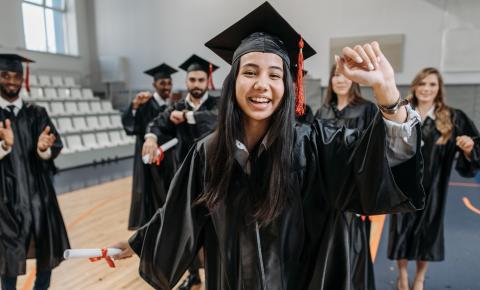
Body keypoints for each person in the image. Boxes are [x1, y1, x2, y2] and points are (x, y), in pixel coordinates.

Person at [112, 2, 424, 289]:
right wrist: (139, 242)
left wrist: (387, 92)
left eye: (275, 75)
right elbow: (181, 208)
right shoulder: (209, 152)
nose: (262, 84)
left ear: (288, 87)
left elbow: (381, 161)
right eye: (250, 72)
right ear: (233, 82)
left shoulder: (316, 146)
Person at [387, 67, 480, 290]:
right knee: (401, 231)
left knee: (428, 232)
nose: (426, 88)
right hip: (403, 186)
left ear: (439, 89)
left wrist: (468, 148)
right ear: (415, 86)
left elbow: (475, 145)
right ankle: (402, 275)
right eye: (422, 84)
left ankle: (419, 278)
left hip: (434, 188)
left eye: (432, 84)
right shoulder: (403, 112)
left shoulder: (453, 117)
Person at [142, 55, 219, 290]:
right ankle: (193, 274)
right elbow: (156, 124)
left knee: (215, 232)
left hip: (215, 179)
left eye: (200, 79)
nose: (196, 84)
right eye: (192, 79)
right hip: (185, 179)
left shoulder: (217, 104)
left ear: (208, 81)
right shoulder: (177, 106)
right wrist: (151, 138)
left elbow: (217, 121)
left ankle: (216, 279)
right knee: (186, 230)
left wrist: (189, 117)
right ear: (186, 81)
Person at [0, 54, 70, 290]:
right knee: (7, 260)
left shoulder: (37, 113)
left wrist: (43, 149)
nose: (11, 81)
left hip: (40, 197)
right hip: (5, 201)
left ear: (23, 78)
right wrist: (4, 146)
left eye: (16, 76)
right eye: (5, 75)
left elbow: (54, 143)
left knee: (46, 253)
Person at [315, 64, 378, 290]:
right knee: (326, 245)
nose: (340, 80)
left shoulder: (367, 109)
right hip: (325, 193)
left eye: (344, 75)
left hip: (353, 191)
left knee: (352, 244)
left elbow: (373, 155)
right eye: (335, 75)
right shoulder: (323, 111)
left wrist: (365, 194)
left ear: (354, 79)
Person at [122, 63, 178, 230]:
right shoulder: (145, 104)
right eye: (162, 83)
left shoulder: (171, 106)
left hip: (167, 160)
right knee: (150, 197)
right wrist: (133, 106)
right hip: (148, 161)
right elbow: (130, 127)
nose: (166, 87)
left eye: (169, 83)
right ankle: (151, 231)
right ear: (154, 85)